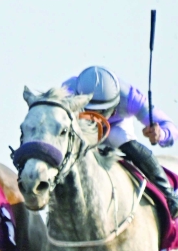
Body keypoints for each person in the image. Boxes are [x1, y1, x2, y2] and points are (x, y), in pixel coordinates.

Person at [63, 66, 178, 217]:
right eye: (91, 111)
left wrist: (160, 134)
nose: (98, 118)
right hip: (82, 128)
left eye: (103, 112)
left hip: (116, 127)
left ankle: (169, 196)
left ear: (115, 105)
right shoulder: (67, 93)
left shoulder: (130, 97)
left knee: (119, 137)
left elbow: (171, 128)